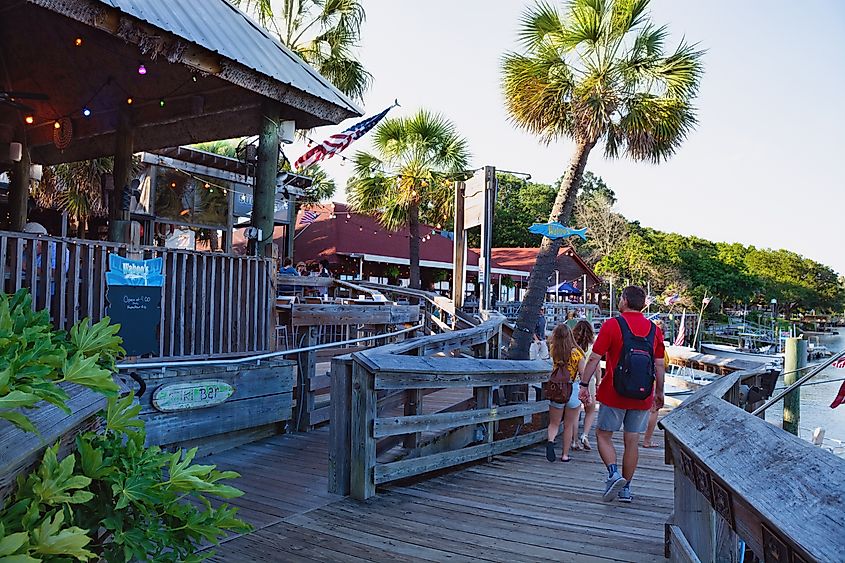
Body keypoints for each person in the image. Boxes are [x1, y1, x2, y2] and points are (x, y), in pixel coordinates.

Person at [579, 286, 665, 503]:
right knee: (632, 442)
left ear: (625, 300)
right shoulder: (654, 330)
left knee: (603, 435)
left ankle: (613, 473)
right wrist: (660, 392)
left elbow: (594, 358)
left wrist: (583, 384)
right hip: (643, 395)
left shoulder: (612, 325)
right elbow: (659, 365)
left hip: (613, 393)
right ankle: (626, 489)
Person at [544, 323, 586, 463]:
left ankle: (550, 441)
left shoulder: (554, 349)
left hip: (557, 388)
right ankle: (565, 455)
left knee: (554, 423)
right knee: (568, 424)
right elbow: (583, 373)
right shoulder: (577, 353)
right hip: (572, 388)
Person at [571, 320, 598, 451]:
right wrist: (599, 381)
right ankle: (585, 435)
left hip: (575, 380)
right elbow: (597, 366)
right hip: (589, 380)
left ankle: (574, 440)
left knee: (576, 411)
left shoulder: (573, 346)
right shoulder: (593, 347)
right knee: (590, 410)